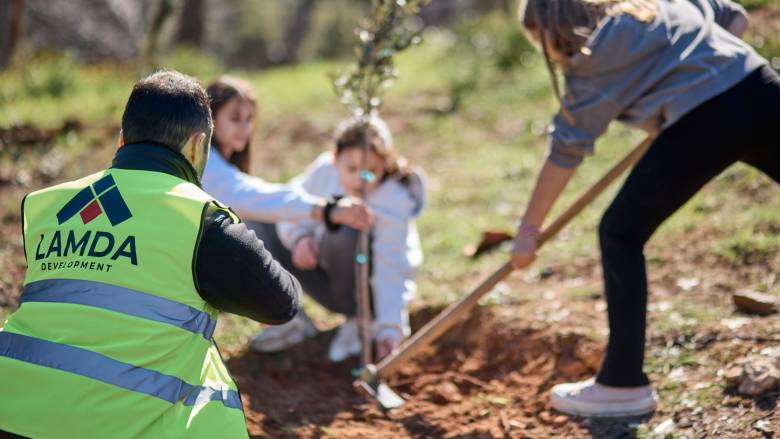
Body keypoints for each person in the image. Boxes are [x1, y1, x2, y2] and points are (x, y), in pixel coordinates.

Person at [512, 0, 778, 417]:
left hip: (706, 121)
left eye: (538, 42)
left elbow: (566, 150)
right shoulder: (656, 5)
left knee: (619, 233)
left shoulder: (590, 58)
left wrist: (528, 231)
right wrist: (697, 72)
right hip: (759, 85)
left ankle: (621, 385)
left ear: (551, 31)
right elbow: (733, 15)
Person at [0, 70, 301, 438]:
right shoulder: (199, 218)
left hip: (11, 411)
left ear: (122, 138)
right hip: (112, 428)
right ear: (197, 147)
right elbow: (280, 303)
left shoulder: (48, 203)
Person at [250, 116, 426, 362]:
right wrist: (300, 237)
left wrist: (390, 328)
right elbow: (289, 206)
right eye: (352, 169)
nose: (360, 180)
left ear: (386, 163)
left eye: (371, 171)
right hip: (323, 276)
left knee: (345, 232)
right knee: (257, 220)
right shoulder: (324, 172)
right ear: (335, 158)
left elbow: (392, 266)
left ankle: (359, 319)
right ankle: (291, 320)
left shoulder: (394, 200)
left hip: (366, 290)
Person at [201, 75, 372, 231]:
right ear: (212, 118)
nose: (245, 128)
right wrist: (326, 209)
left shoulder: (222, 163)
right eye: (235, 118)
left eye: (249, 118)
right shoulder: (208, 165)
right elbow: (251, 197)